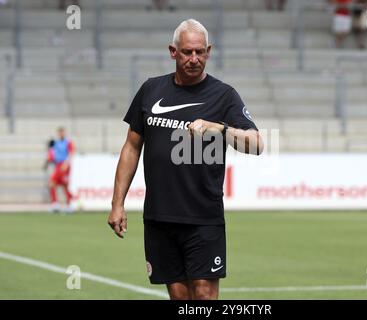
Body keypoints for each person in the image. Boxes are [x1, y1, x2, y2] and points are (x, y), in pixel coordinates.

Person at [107, 19, 264, 300]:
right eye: (187, 52)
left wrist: (221, 128)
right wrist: (117, 203)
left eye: (200, 52)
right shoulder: (151, 90)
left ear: (209, 51)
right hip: (159, 216)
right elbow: (131, 147)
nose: (194, 59)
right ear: (173, 51)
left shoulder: (224, 96)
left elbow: (257, 144)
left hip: (203, 218)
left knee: (203, 295)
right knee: (179, 298)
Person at [48, 127, 74, 213]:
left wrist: (66, 163)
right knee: (58, 184)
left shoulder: (68, 142)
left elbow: (71, 153)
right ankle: (60, 203)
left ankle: (67, 203)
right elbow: (53, 154)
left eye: (62, 132)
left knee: (60, 184)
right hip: (58, 165)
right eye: (60, 132)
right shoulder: (56, 143)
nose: (61, 134)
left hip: (64, 165)